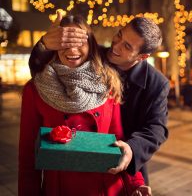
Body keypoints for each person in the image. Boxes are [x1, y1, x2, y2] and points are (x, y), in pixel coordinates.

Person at [29, 11, 169, 185]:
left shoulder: (157, 83)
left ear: (142, 57)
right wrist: (44, 44)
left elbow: (156, 128)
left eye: (127, 46)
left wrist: (132, 149)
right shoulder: (96, 54)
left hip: (124, 162)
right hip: (79, 161)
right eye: (119, 34)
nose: (116, 45)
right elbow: (43, 67)